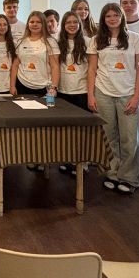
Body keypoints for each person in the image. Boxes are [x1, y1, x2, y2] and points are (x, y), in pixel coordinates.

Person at [87, 2, 139, 194]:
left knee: (130, 138)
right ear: (103, 19)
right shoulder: (96, 40)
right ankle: (112, 173)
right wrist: (91, 95)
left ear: (122, 17)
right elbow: (92, 69)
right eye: (108, 16)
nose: (112, 19)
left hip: (128, 93)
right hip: (103, 92)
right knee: (108, 136)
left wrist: (137, 97)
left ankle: (129, 177)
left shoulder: (135, 39)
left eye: (116, 15)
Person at [56, 10, 92, 176]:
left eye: (75, 22)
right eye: (68, 22)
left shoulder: (88, 42)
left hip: (81, 91)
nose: (72, 25)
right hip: (63, 91)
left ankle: (82, 163)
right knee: (66, 130)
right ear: (63, 25)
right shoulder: (58, 43)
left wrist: (91, 93)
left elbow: (92, 68)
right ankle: (69, 159)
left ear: (80, 24)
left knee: (82, 131)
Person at [10, 11, 60, 96]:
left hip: (44, 87)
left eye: (38, 22)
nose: (35, 24)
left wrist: (54, 88)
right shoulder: (21, 42)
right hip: (22, 85)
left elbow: (55, 67)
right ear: (28, 24)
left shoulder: (51, 42)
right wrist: (12, 86)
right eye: (32, 22)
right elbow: (15, 65)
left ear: (43, 24)